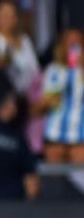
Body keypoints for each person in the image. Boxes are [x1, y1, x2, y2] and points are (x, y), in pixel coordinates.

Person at [38, 28, 84, 163]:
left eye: (77, 44)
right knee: (55, 180)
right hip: (55, 133)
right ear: (62, 46)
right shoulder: (53, 70)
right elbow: (49, 101)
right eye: (69, 43)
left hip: (80, 135)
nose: (73, 48)